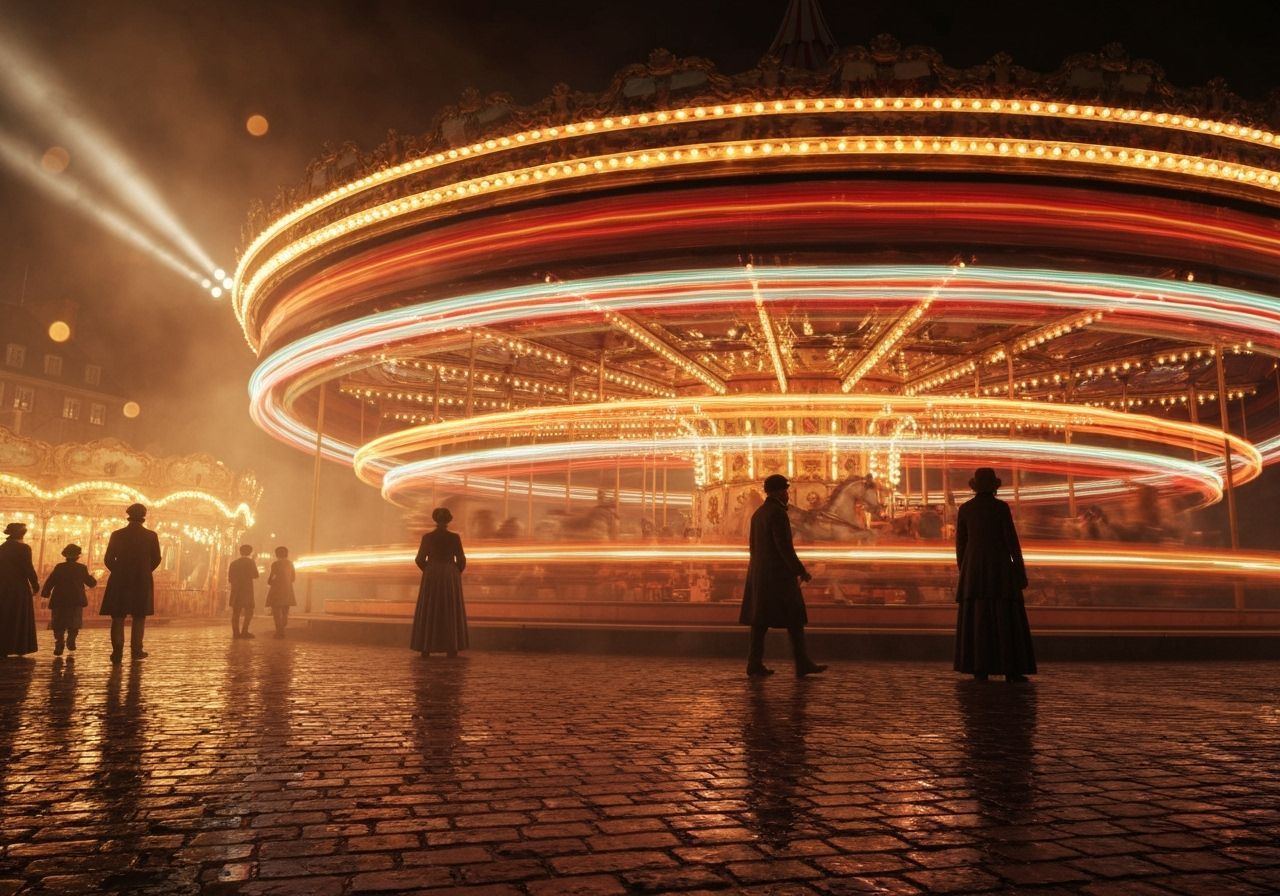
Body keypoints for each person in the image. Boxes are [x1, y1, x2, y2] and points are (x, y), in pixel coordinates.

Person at [954, 468, 1036, 683]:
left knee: (977, 618)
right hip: (999, 567)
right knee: (1004, 618)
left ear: (974, 486)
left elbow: (960, 545)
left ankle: (978, 667)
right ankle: (1010, 667)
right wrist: (1019, 572)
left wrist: (964, 571)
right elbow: (1011, 542)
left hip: (973, 569)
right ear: (994, 486)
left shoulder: (965, 509)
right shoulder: (1001, 508)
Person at [739, 474, 826, 678]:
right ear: (778, 492)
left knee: (760, 622)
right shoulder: (777, 513)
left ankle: (754, 663)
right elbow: (784, 546)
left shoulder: (758, 514)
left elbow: (753, 547)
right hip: (778, 577)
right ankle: (802, 663)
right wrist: (800, 570)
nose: (787, 495)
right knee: (795, 619)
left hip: (760, 575)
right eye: (785, 491)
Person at [99, 503, 162, 664]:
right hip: (142, 581)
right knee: (139, 616)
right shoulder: (151, 536)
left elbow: (108, 559)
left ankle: (117, 652)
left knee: (118, 617)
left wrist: (119, 571)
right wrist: (145, 571)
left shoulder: (117, 535)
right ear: (143, 516)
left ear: (129, 515)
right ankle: (137, 650)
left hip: (120, 581)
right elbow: (156, 559)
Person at [410, 507, 468, 657]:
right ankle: (451, 646)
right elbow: (461, 560)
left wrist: (429, 570)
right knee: (449, 610)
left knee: (430, 609)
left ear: (435, 519)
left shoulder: (427, 537)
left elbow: (419, 559)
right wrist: (454, 572)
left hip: (432, 573)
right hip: (449, 574)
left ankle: (426, 646)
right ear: (449, 520)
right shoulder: (454, 538)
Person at [40, 543, 96, 656]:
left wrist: (45, 592)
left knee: (58, 622)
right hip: (76, 600)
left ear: (65, 556)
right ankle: (71, 639)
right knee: (74, 621)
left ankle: (59, 642)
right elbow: (90, 582)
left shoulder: (59, 567)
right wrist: (93, 578)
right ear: (78, 556)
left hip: (59, 600)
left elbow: (51, 580)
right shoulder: (81, 568)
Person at [0, 522, 39, 658]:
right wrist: (35, 584)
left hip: (3, 587)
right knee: (19, 616)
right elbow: (28, 568)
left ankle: (3, 646)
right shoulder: (24, 548)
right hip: (18, 588)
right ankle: (19, 646)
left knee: (4, 616)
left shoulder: (2, 548)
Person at [227, 545, 259, 639]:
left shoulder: (234, 563)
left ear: (240, 552)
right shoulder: (250, 562)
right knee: (249, 611)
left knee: (236, 612)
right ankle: (245, 631)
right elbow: (256, 575)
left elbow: (230, 578)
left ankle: (236, 632)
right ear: (250, 552)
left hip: (236, 590)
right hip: (247, 590)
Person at [265, 546, 296, 638]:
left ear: (277, 554)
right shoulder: (290, 564)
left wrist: (270, 581)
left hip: (277, 590)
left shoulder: (275, 564)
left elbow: (272, 577)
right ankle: (282, 627)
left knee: (276, 612)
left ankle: (279, 631)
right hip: (287, 590)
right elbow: (293, 578)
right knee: (285, 612)